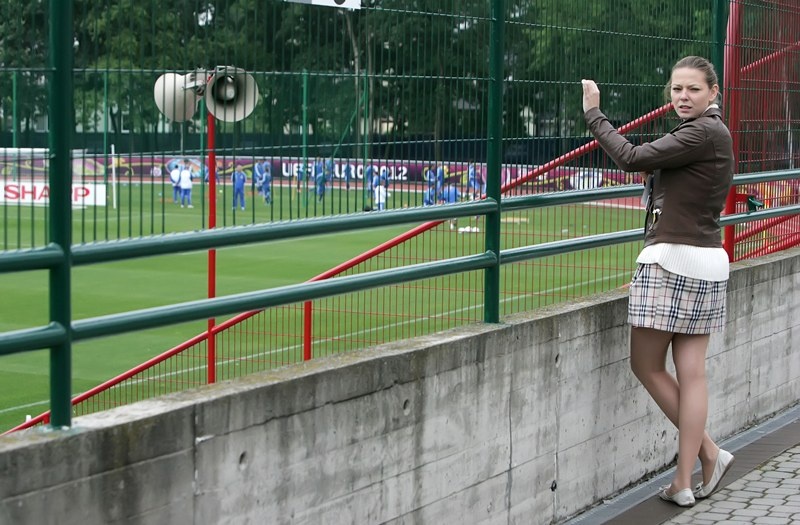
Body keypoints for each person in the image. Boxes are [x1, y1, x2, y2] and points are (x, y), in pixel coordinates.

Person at [581, 56, 735, 508]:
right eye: (676, 90)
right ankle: (687, 479)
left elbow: (629, 158)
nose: (682, 97)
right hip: (708, 262)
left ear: (713, 92)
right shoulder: (711, 135)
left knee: (647, 366)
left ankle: (705, 456)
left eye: (692, 89)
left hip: (672, 262)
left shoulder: (700, 132)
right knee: (692, 374)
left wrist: (595, 114)